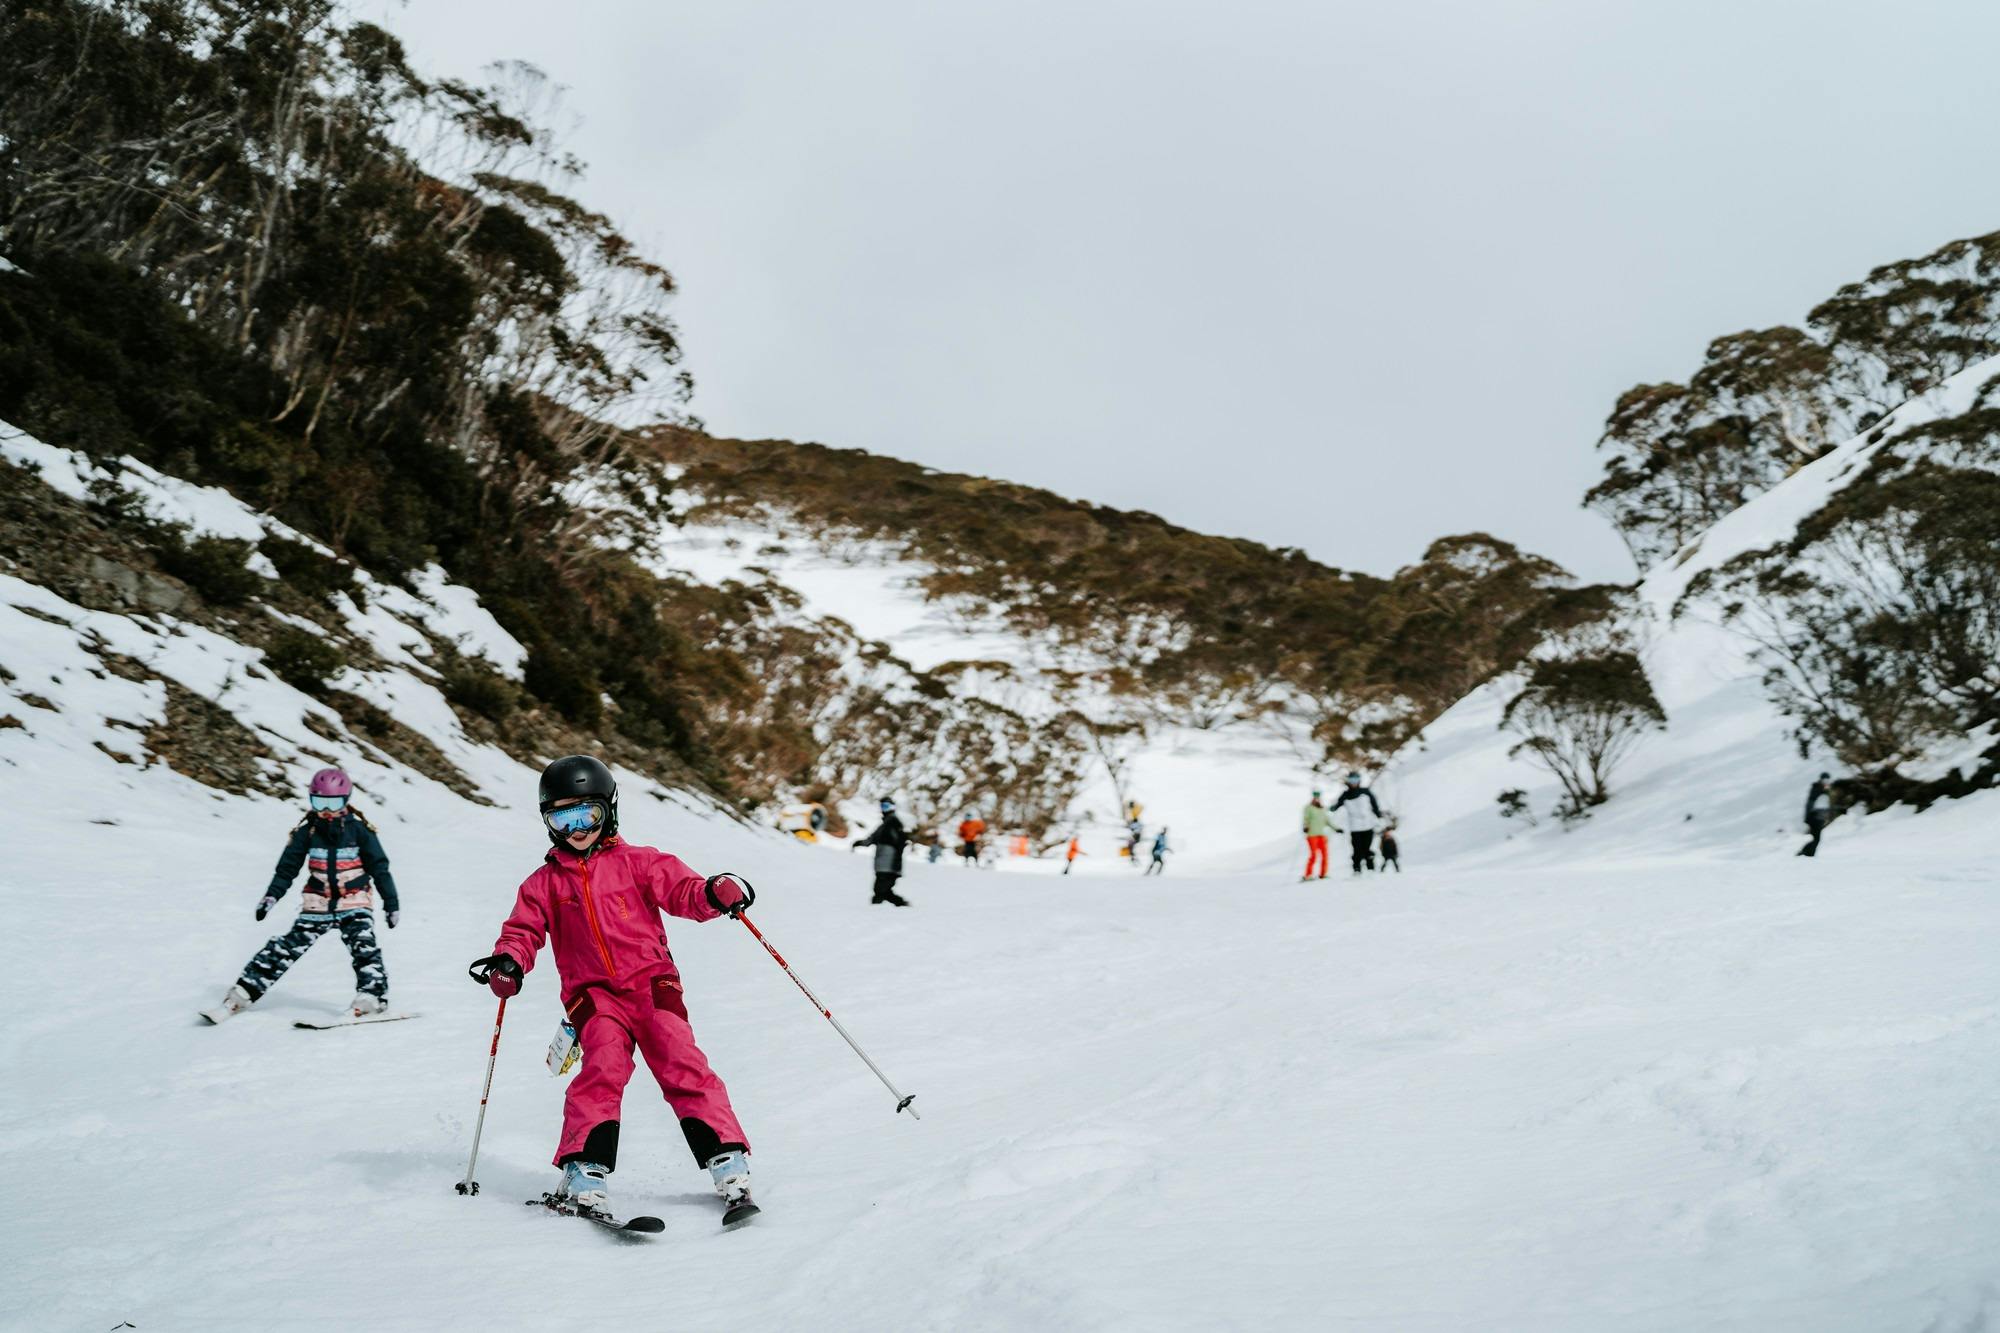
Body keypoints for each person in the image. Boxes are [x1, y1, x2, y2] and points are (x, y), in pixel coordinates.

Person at [466, 755, 757, 1224]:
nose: (576, 828)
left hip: (652, 986)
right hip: (593, 996)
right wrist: (509, 961)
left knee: (681, 1061)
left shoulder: (641, 863)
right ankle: (584, 1171)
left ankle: (726, 1159)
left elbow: (684, 891)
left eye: (587, 815)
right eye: (563, 817)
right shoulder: (543, 883)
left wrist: (713, 892)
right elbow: (523, 930)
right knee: (602, 1070)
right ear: (549, 822)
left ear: (609, 811)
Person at [201, 767, 400, 1023]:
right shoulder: (307, 832)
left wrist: (391, 903)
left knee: (364, 946)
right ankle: (242, 994)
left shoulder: (360, 831)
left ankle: (371, 998)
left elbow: (380, 869)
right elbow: (286, 870)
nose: (326, 810)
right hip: (318, 902)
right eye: (320, 802)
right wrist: (271, 897)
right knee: (284, 948)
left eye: (334, 802)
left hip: (354, 899)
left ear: (346, 799)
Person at [854, 798, 911, 905]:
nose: (883, 809)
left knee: (880, 891)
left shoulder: (894, 823)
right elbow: (872, 839)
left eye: (886, 806)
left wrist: (895, 863)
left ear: (893, 808)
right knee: (884, 892)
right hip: (883, 865)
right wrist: (860, 843)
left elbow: (901, 842)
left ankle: (874, 915)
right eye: (882, 806)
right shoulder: (885, 825)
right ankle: (904, 906)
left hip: (889, 866)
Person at [1331, 771, 1382, 874]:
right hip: (1355, 827)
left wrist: (1379, 816)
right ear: (1348, 781)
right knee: (1357, 848)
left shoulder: (1365, 792)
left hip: (1368, 825)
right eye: (1351, 780)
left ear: (1359, 780)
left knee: (1367, 848)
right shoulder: (1345, 795)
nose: (1354, 782)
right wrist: (1332, 808)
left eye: (1356, 780)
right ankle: (1357, 869)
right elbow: (1336, 806)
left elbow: (1374, 805)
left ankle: (1370, 868)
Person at [1301, 788, 1334, 881]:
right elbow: (1305, 819)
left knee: (1325, 855)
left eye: (1318, 795)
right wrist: (1305, 826)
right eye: (1315, 795)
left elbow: (1327, 821)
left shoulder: (1322, 808)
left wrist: (1337, 828)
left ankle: (1323, 874)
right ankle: (1308, 874)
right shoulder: (1308, 808)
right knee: (1314, 855)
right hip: (1312, 835)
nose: (1317, 797)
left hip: (1321, 835)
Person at [1798, 772, 1833, 857]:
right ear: (1821, 780)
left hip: (1820, 817)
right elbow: (1811, 802)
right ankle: (1806, 854)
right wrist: (1808, 816)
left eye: (1828, 780)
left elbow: (1827, 804)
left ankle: (1806, 853)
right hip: (1814, 817)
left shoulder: (1826, 790)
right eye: (1824, 780)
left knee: (1816, 838)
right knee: (1816, 838)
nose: (1826, 782)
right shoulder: (1817, 788)